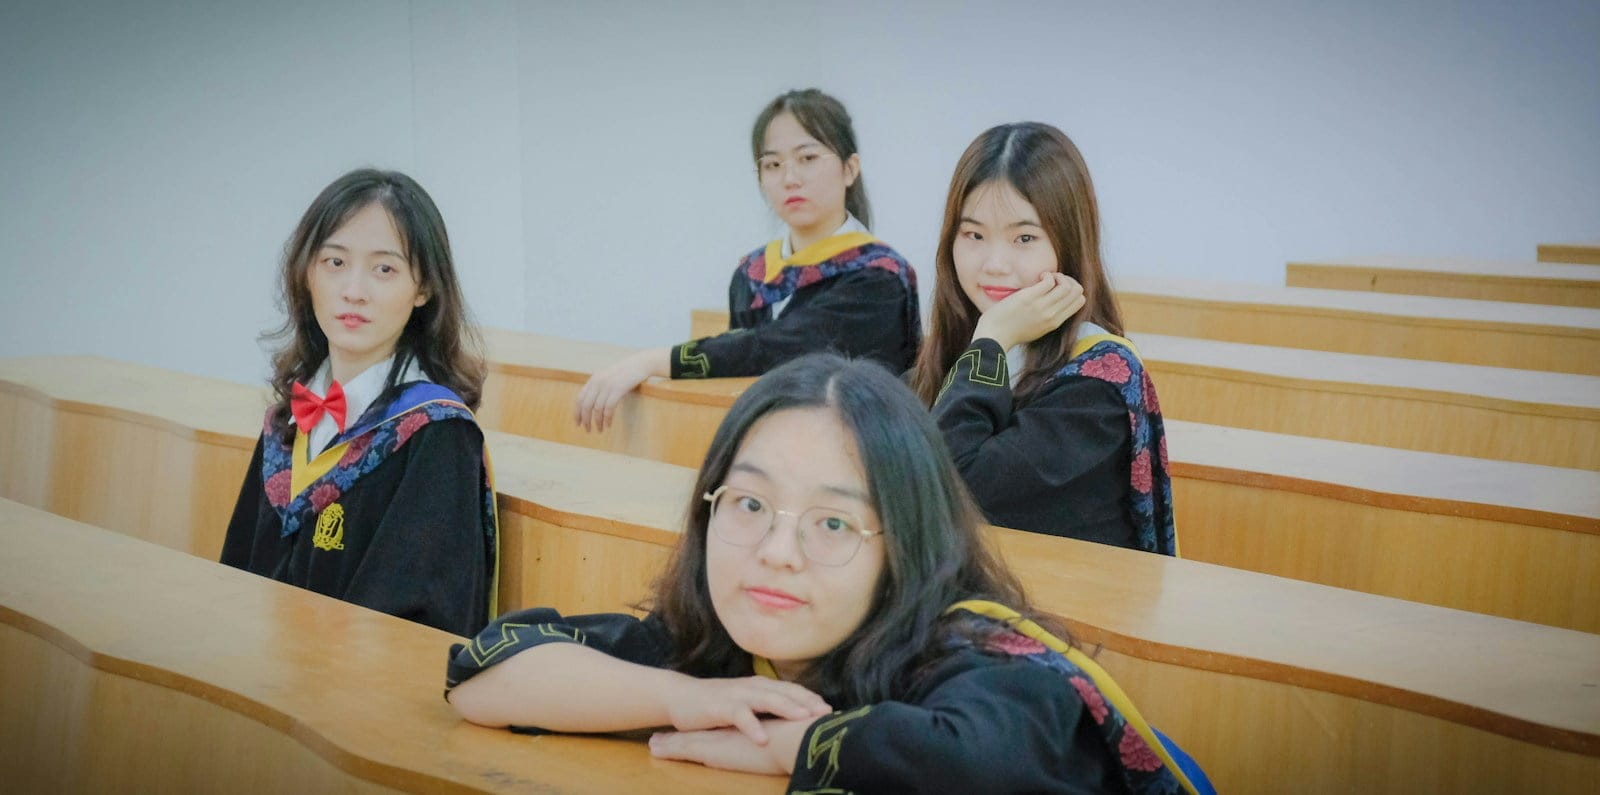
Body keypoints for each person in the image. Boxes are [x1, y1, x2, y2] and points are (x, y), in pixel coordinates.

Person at [447, 354, 1204, 793]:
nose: (778, 550)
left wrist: (795, 746)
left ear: (903, 543)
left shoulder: (984, 656)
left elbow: (977, 756)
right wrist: (684, 695)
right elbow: (484, 669)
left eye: (833, 522)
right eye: (749, 503)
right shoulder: (722, 652)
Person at [221, 168, 498, 636]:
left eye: (384, 269)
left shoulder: (436, 435)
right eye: (334, 262)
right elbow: (235, 578)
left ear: (424, 289)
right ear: (306, 274)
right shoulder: (288, 421)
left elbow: (415, 621)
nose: (354, 290)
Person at [573, 88, 920, 433]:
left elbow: (773, 348)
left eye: (808, 158)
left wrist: (652, 360)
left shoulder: (879, 278)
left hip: (861, 452)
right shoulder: (753, 275)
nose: (790, 178)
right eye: (773, 164)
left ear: (849, 168)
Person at [908, 123, 1177, 555]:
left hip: (1059, 615)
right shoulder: (951, 351)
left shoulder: (1097, 385)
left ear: (1068, 246)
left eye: (1025, 238)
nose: (995, 264)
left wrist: (994, 337)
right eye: (973, 235)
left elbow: (950, 489)